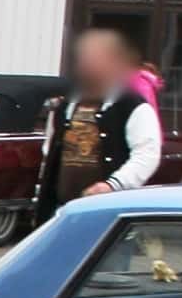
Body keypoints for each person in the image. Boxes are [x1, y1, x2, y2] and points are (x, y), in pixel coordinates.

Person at [38, 28, 163, 223]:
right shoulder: (66, 105)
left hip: (109, 214)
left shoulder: (133, 106)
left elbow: (147, 154)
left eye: (98, 60)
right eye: (85, 60)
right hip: (62, 213)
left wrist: (112, 185)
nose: (90, 66)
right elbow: (50, 151)